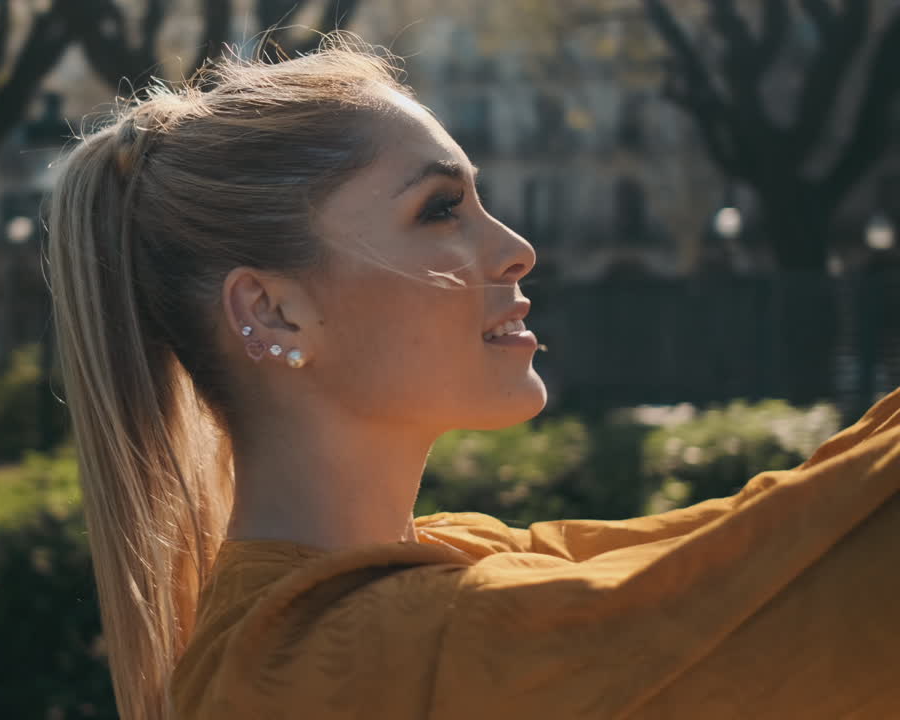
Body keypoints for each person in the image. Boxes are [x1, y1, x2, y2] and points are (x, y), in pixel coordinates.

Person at [45, 35, 900, 720]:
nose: (516, 248)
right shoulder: (356, 661)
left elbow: (770, 530)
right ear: (270, 312)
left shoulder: (445, 566)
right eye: (440, 209)